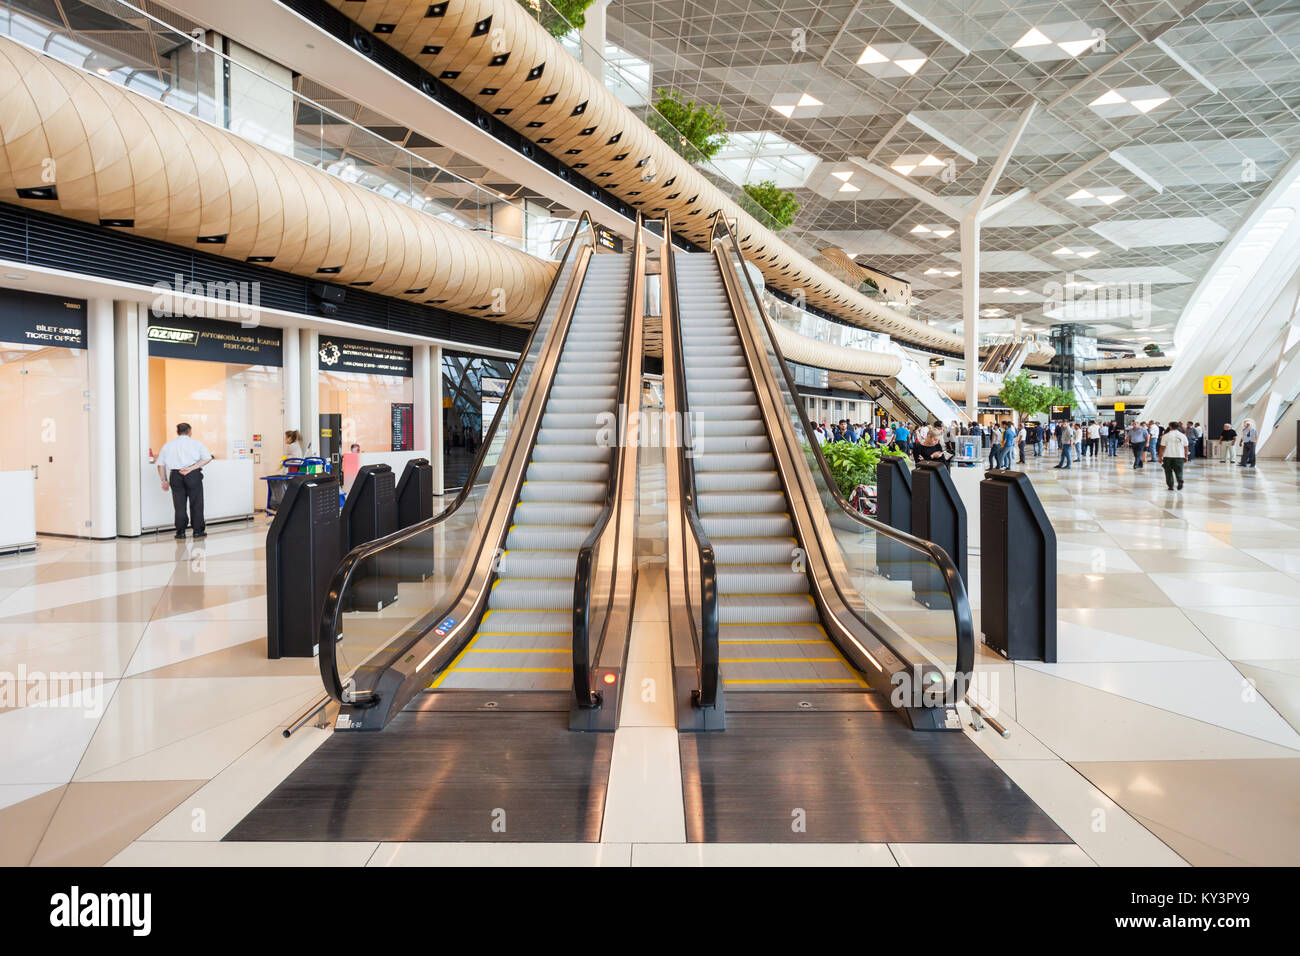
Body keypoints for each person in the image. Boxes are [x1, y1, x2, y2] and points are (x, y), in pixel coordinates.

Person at [156, 422, 213, 539]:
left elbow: (160, 465)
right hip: (192, 474)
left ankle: (180, 532)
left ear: (177, 432)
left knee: (179, 504)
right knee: (196, 503)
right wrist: (191, 469)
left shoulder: (168, 445)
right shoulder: (197, 444)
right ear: (190, 432)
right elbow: (207, 458)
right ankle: (197, 531)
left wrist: (164, 480)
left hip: (175, 476)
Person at [1159, 422, 1189, 490]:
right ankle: (1180, 480)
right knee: (1179, 470)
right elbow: (1186, 447)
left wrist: (1160, 456)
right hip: (1180, 456)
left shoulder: (1166, 436)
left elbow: (1162, 447)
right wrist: (1186, 456)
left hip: (1168, 456)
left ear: (1170, 427)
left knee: (1168, 472)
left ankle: (1170, 486)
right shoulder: (1183, 436)